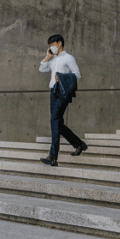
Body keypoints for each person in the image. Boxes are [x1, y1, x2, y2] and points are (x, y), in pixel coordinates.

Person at [39, 34, 87, 165]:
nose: (51, 47)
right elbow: (41, 69)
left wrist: (61, 77)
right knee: (57, 123)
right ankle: (79, 144)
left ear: (59, 43)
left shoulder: (68, 58)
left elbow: (77, 75)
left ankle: (53, 157)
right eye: (50, 45)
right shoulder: (53, 59)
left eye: (52, 44)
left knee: (54, 121)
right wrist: (47, 57)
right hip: (52, 92)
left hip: (62, 93)